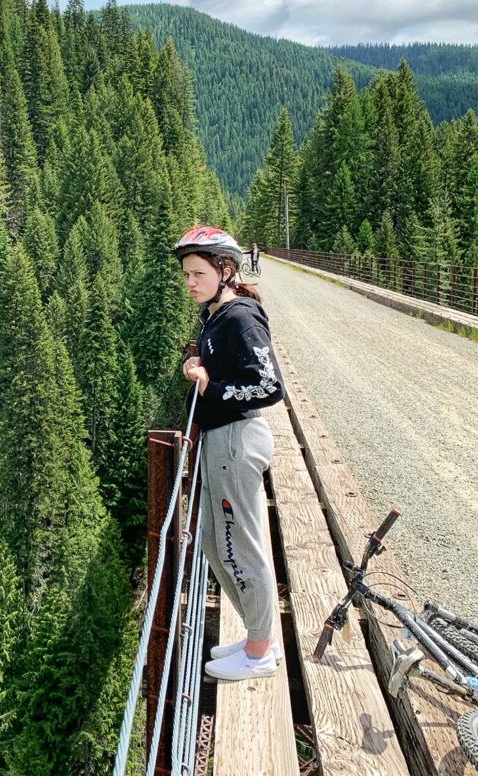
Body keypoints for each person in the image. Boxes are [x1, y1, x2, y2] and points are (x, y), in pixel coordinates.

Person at [174, 225, 285, 681]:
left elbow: (269, 385)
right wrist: (199, 367)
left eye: (198, 273)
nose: (190, 283)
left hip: (237, 441)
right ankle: (259, 636)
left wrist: (210, 386)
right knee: (219, 547)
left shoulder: (240, 317)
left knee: (241, 546)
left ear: (225, 270)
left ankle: (259, 652)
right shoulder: (216, 316)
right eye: (185, 274)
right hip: (223, 441)